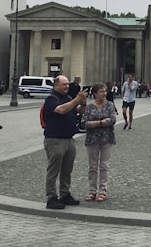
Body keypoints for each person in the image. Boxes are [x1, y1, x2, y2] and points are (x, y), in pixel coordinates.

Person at [42, 76, 87, 209]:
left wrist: (83, 103)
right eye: (64, 84)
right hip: (55, 139)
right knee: (53, 170)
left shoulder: (67, 98)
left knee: (67, 170)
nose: (67, 86)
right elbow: (61, 110)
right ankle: (51, 197)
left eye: (67, 84)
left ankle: (64, 194)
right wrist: (76, 100)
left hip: (68, 139)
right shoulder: (51, 99)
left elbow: (80, 111)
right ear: (56, 85)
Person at [81, 82, 117, 201]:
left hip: (107, 138)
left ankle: (102, 191)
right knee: (92, 166)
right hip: (92, 139)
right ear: (95, 93)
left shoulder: (110, 105)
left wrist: (94, 123)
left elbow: (112, 120)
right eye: (102, 91)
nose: (104, 93)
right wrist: (102, 123)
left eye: (105, 91)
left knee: (104, 165)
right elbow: (83, 123)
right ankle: (92, 191)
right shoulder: (89, 107)